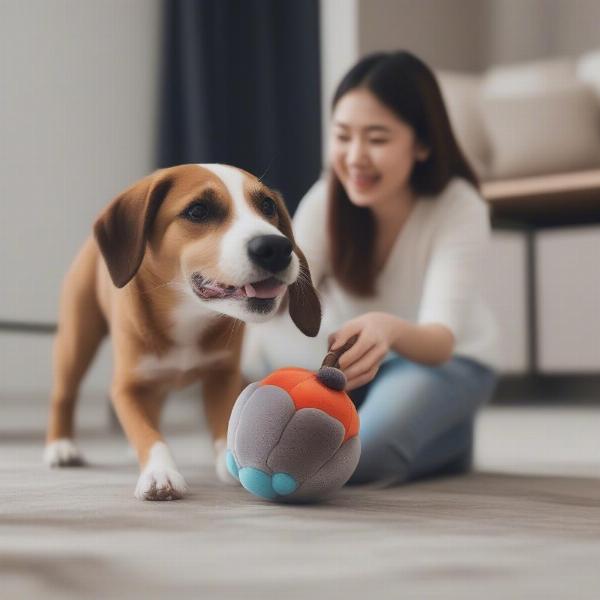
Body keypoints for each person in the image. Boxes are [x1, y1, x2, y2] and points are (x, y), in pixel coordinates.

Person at [242, 50, 499, 486]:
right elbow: (288, 290)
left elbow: (440, 341)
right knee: (270, 431)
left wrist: (391, 328)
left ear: (422, 144)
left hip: (447, 361)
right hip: (358, 366)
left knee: (359, 458)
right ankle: (435, 435)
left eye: (377, 139)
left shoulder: (459, 206)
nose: (355, 157)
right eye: (343, 136)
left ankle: (444, 437)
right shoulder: (326, 198)